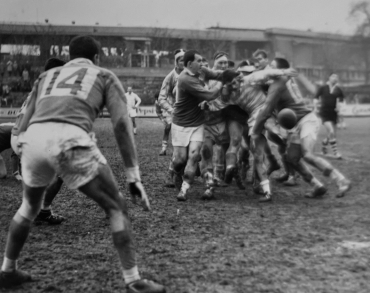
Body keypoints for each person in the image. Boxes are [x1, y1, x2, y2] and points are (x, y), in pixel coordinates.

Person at [0, 35, 165, 293]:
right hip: (69, 138)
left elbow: (24, 116)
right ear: (97, 57)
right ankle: (134, 281)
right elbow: (121, 125)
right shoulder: (104, 75)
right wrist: (133, 176)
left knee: (29, 207)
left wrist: (20, 143)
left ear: (69, 56)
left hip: (33, 139)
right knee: (117, 208)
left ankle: (7, 269)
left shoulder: (46, 76)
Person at [253, 57, 351, 199]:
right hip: (295, 125)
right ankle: (317, 185)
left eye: (272, 66)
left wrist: (255, 131)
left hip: (307, 120)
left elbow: (265, 110)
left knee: (307, 154)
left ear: (280, 70)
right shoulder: (281, 80)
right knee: (292, 158)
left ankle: (341, 180)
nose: (269, 68)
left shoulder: (278, 84)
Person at [11, 57, 67, 225]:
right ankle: (42, 210)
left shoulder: (38, 86)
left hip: (18, 136)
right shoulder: (53, 88)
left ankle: (36, 207)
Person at [171, 49, 223, 201]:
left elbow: (216, 74)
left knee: (194, 155)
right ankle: (175, 171)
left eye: (202, 61)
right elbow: (210, 95)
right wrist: (221, 84)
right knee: (180, 159)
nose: (202, 63)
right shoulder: (185, 79)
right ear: (189, 64)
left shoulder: (200, 71)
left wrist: (230, 74)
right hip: (180, 124)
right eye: (199, 61)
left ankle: (184, 190)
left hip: (198, 123)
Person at [158, 49, 185, 158]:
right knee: (169, 127)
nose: (184, 63)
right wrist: (172, 110)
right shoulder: (170, 77)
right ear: (176, 62)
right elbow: (161, 98)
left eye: (186, 60)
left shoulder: (193, 75)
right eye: (182, 60)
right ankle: (164, 147)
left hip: (187, 110)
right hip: (173, 109)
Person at [314, 73, 345, 159]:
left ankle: (324, 144)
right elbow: (316, 98)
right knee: (331, 131)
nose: (335, 79)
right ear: (329, 77)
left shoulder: (338, 90)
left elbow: (341, 101)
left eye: (337, 77)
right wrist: (316, 107)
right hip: (324, 112)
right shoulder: (323, 88)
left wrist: (340, 108)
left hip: (334, 113)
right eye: (333, 77)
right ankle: (335, 153)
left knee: (332, 133)